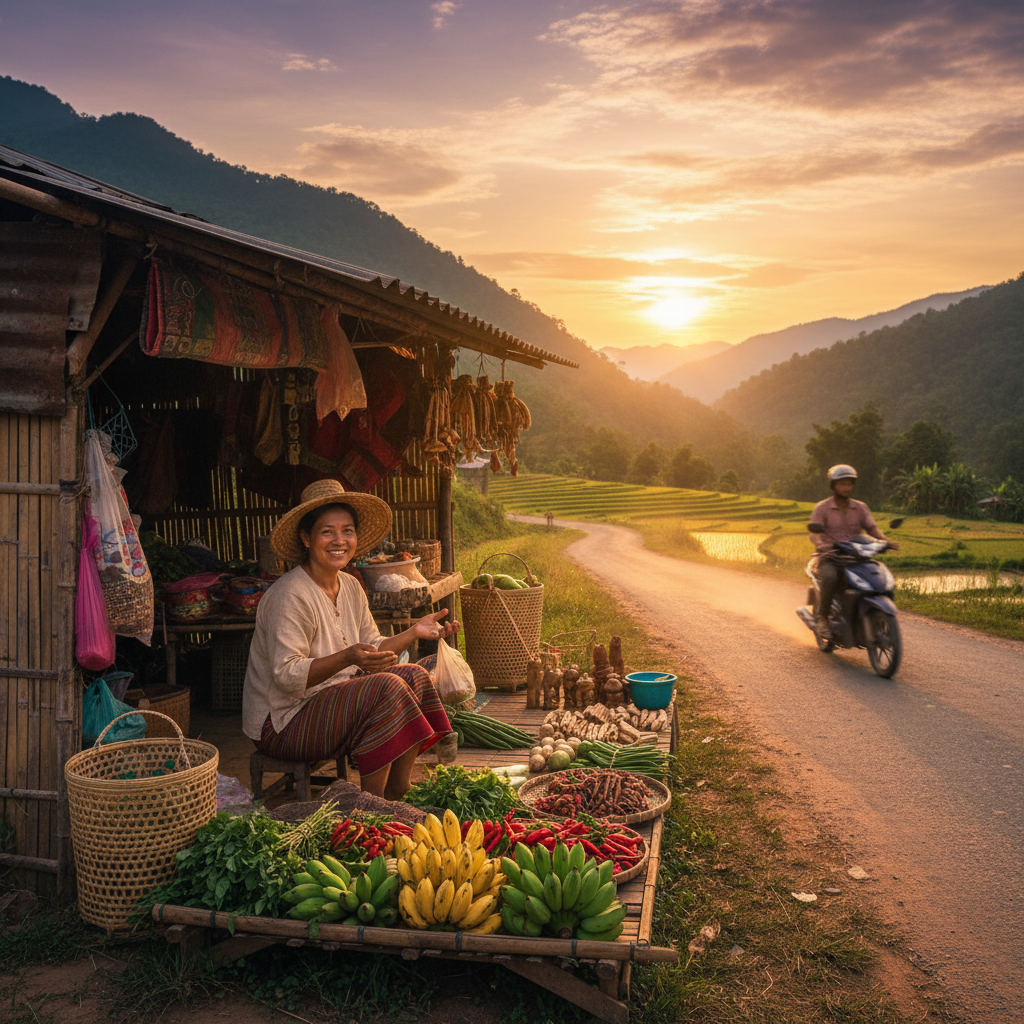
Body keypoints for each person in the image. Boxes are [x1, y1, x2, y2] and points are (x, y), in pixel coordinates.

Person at [242, 479, 458, 799]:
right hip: (281, 722)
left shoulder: (351, 586)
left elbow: (373, 646)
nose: (339, 540)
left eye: (348, 531)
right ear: (306, 538)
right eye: (327, 531)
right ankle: (369, 803)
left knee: (413, 675)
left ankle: (398, 788)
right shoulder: (290, 595)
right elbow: (287, 677)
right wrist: (347, 657)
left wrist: (414, 632)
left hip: (327, 703)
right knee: (386, 686)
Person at [809, 465, 899, 640]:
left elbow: (872, 528)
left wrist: (885, 541)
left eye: (849, 484)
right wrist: (821, 544)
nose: (847, 488)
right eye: (842, 484)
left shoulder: (860, 507)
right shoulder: (823, 508)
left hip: (857, 556)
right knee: (830, 577)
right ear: (833, 485)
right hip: (831, 557)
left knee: (878, 576)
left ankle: (877, 617)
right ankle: (823, 620)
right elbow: (815, 533)